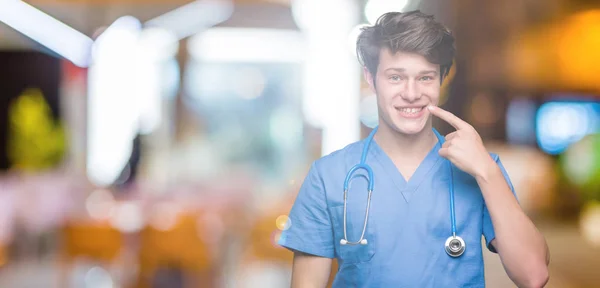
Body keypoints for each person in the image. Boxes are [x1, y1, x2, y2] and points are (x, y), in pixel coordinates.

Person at [278, 10, 550, 287]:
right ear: (371, 79)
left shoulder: (481, 169)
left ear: (442, 80)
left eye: (425, 78)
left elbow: (534, 275)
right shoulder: (329, 176)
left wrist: (487, 172)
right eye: (396, 77)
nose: (411, 93)